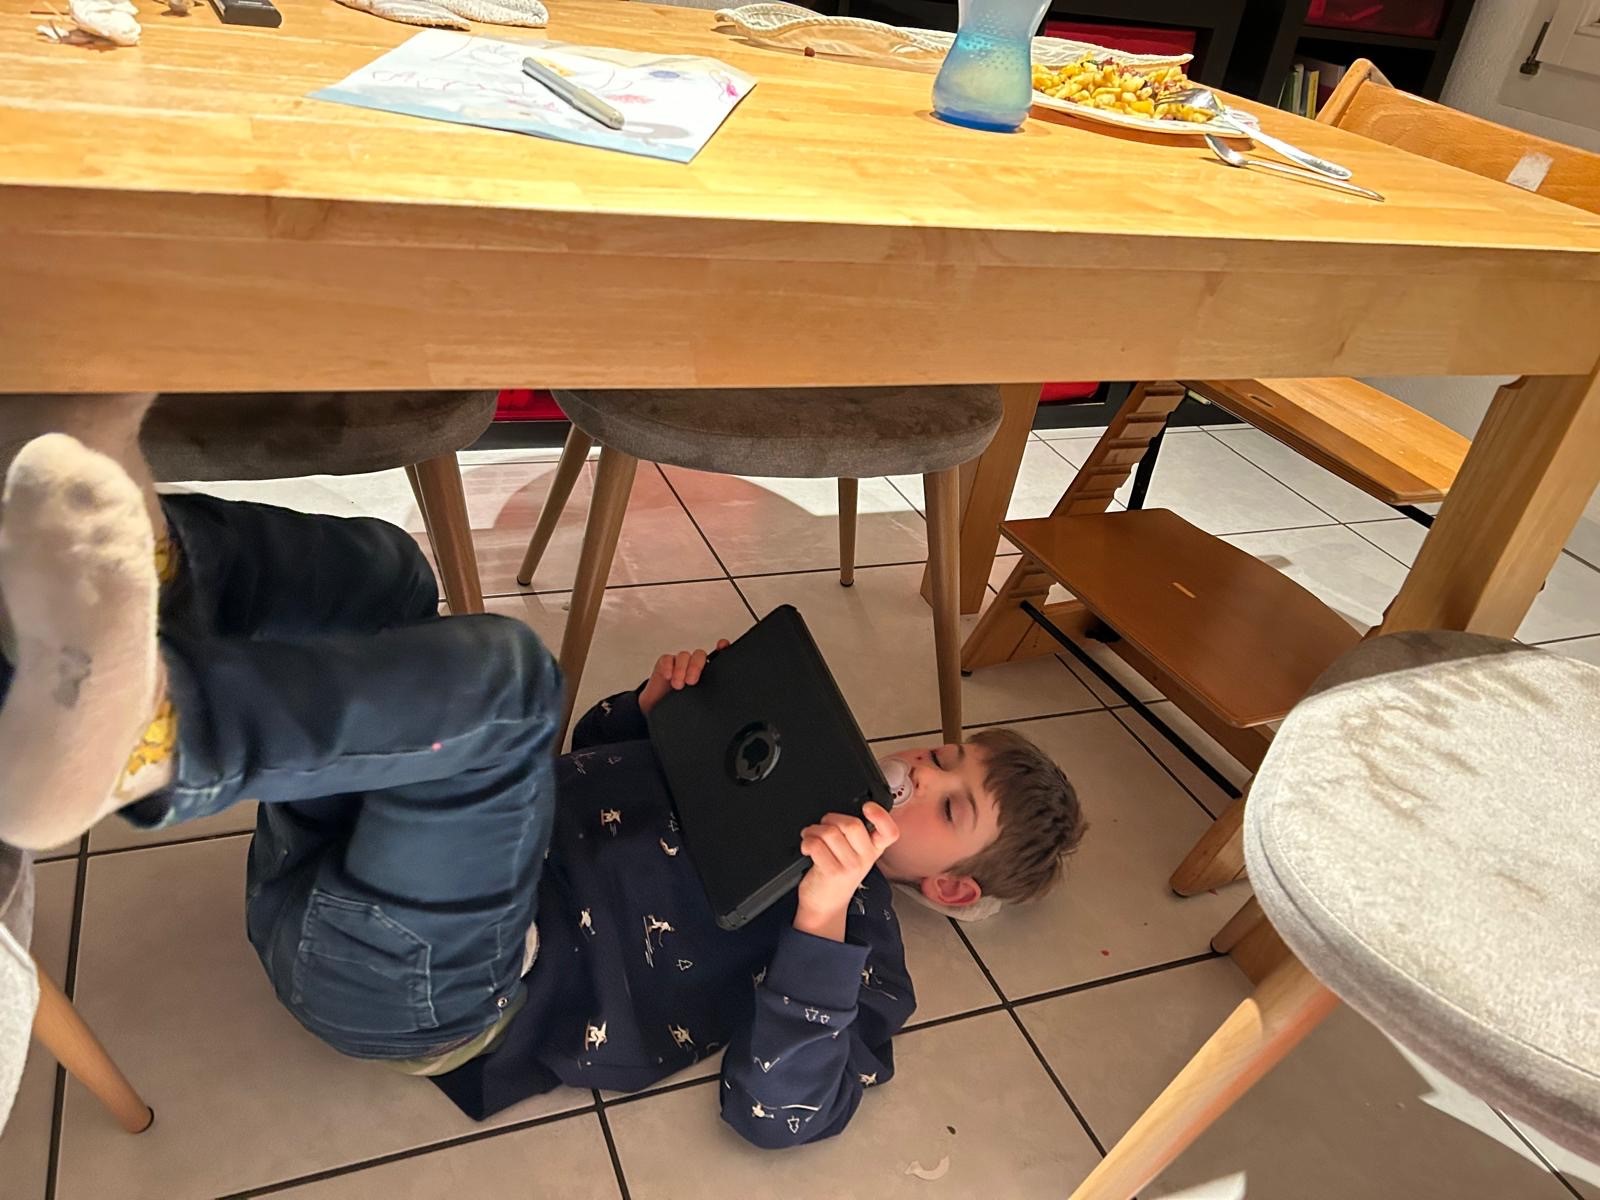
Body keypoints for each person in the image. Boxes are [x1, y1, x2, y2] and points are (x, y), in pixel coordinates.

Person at [0, 413, 1085, 1147]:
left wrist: (819, 917)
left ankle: (149, 737)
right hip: (352, 863)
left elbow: (777, 1113)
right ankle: (129, 566)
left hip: (427, 992)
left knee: (510, 682)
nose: (916, 770)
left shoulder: (865, 958)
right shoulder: (802, 771)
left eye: (948, 803)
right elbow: (589, 771)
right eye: (940, 755)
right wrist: (654, 713)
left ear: (950, 885)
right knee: (392, 571)